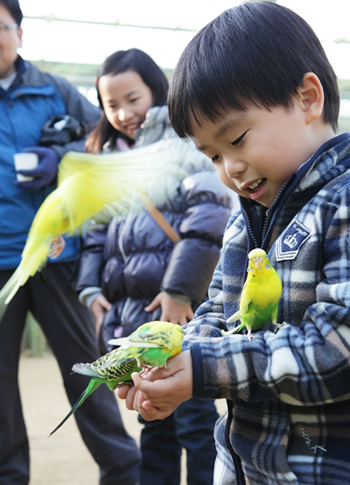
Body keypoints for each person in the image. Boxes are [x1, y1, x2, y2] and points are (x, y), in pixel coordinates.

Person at [118, 2, 350, 484]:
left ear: (308, 98)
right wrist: (175, 362)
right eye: (213, 156)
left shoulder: (341, 205)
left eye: (237, 139)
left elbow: (337, 349)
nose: (229, 169)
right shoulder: (245, 222)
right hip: (243, 469)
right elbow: (219, 315)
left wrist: (204, 367)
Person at [75, 48, 234, 485]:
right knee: (152, 420)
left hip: (174, 311)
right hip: (136, 320)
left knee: (195, 420)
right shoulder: (108, 158)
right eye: (112, 104)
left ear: (156, 92)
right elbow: (94, 234)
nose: (124, 112)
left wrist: (181, 290)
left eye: (133, 98)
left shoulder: (183, 144)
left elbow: (208, 219)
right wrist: (91, 291)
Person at [0, 2, 141, 484]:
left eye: (1, 26)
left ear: (20, 32)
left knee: (89, 370)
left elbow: (101, 138)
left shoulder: (56, 90)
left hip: (57, 257)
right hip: (2, 262)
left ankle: (124, 471)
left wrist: (56, 154)